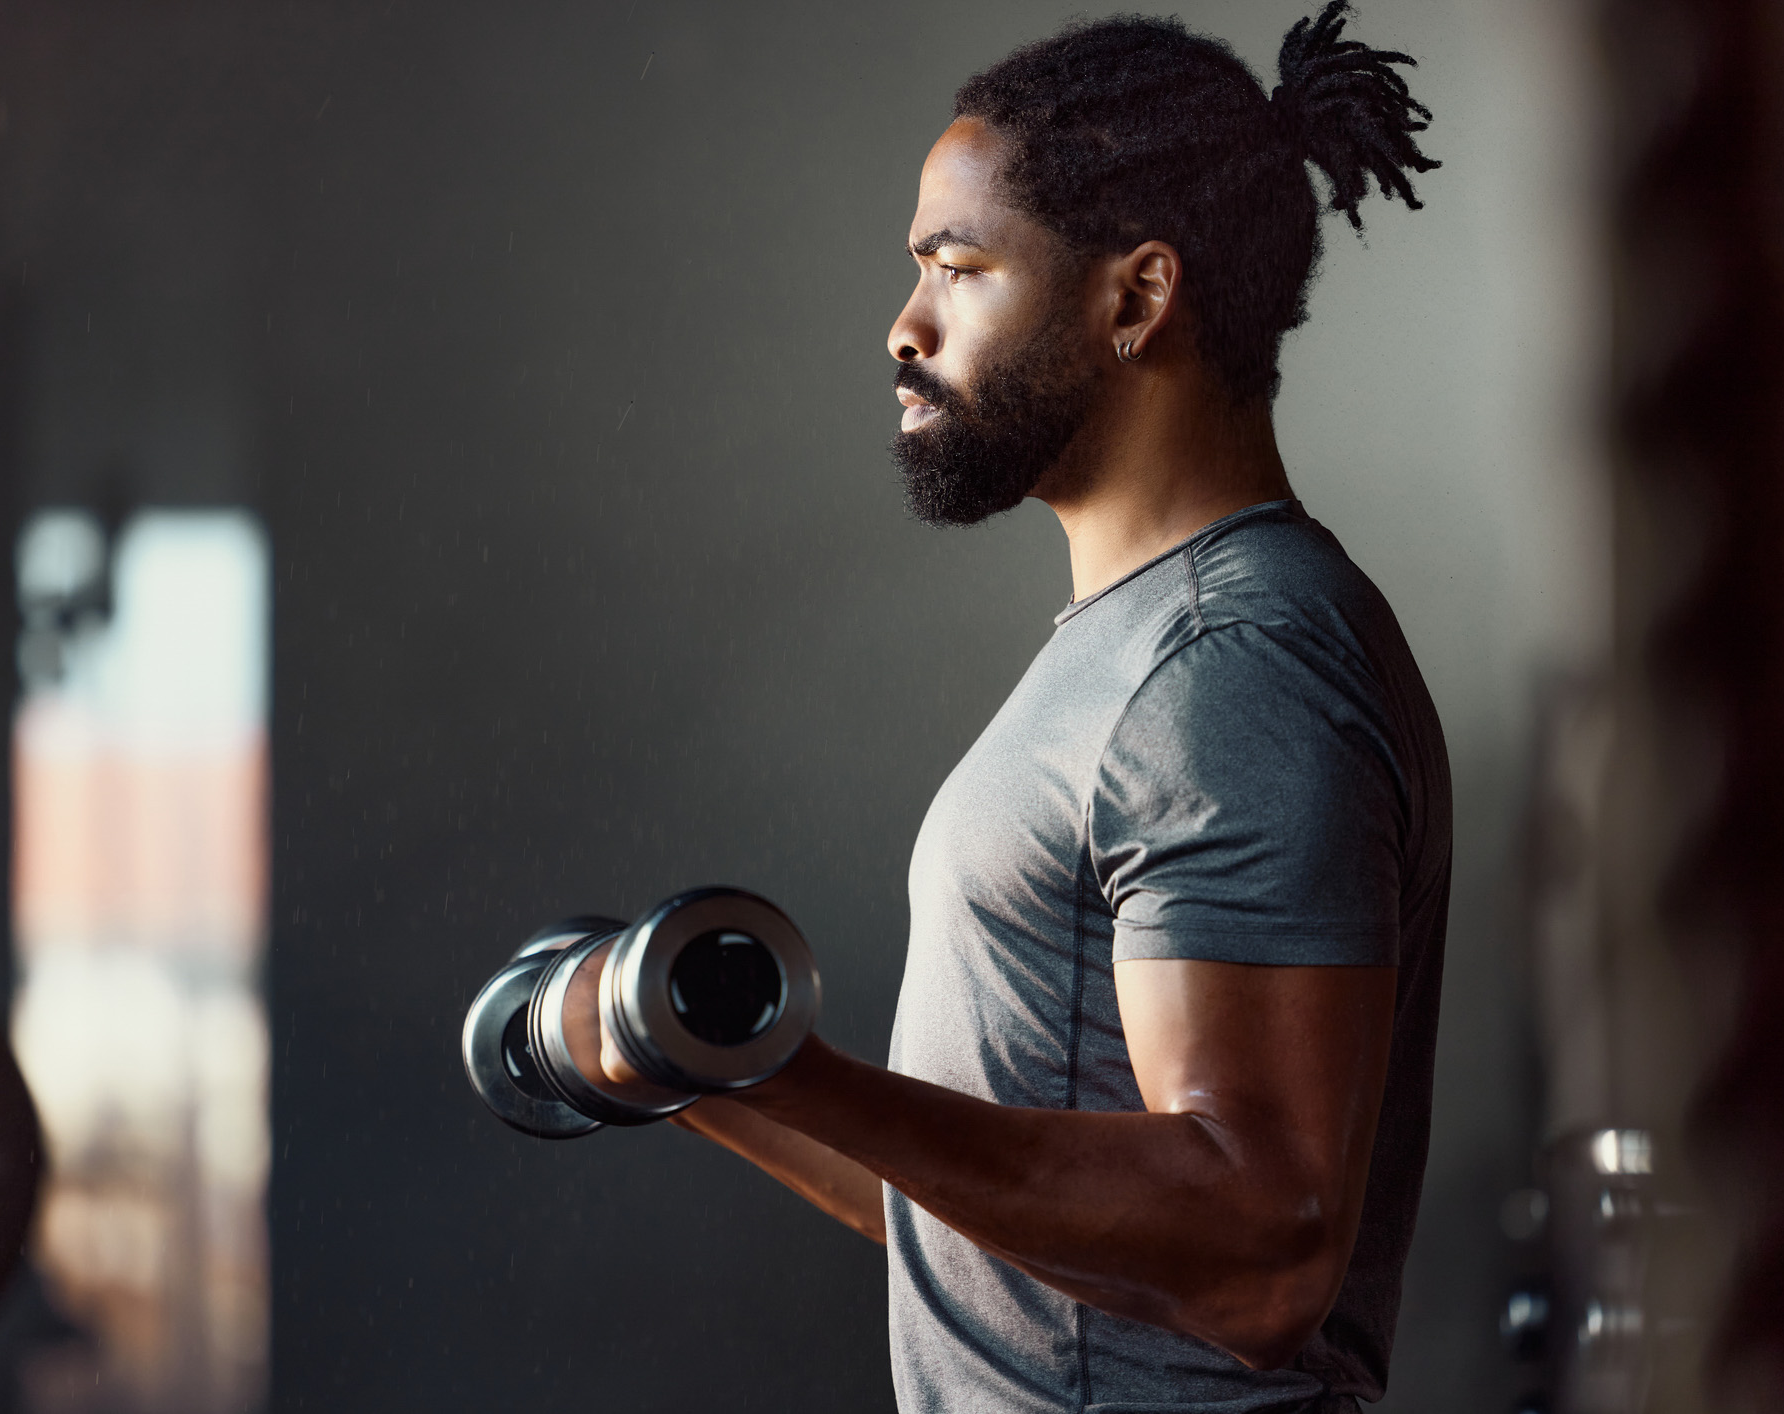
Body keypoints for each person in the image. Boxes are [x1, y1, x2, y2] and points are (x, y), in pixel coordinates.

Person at [603, 5, 1450, 1410]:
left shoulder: (1230, 664)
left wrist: (785, 1064)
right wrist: (691, 1065)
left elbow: (1259, 1251)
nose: (902, 326)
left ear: (1135, 298)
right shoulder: (1143, 647)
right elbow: (987, 1230)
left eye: (959, 267)